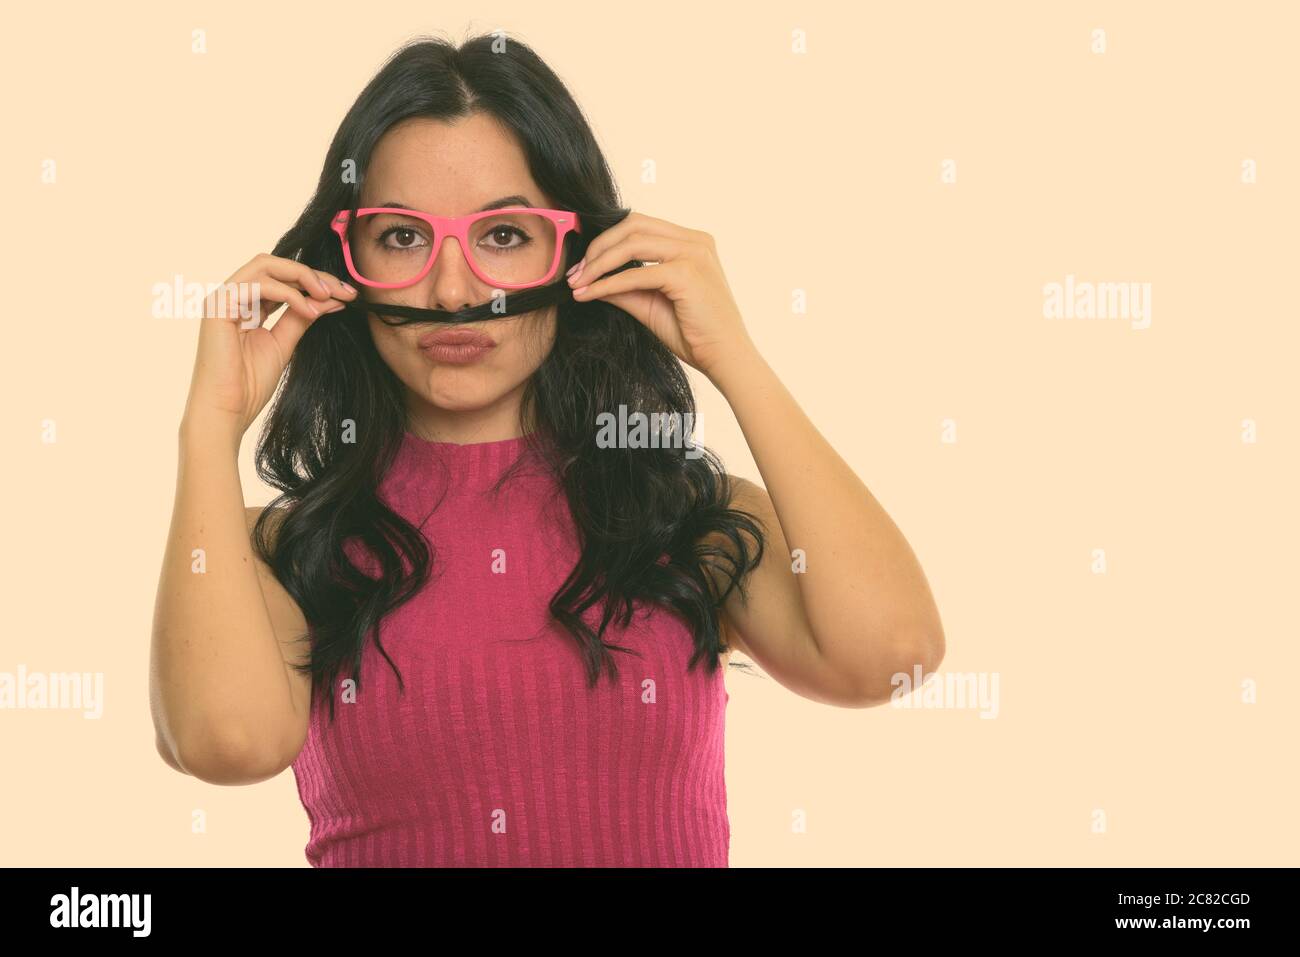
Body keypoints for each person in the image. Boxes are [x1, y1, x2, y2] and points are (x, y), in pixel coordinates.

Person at [149, 31, 945, 867]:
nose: (453, 291)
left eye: (503, 237)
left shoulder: (681, 516)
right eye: (401, 238)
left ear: (574, 252)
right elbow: (224, 742)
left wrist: (732, 357)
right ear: (346, 261)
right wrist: (210, 421)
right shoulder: (279, 550)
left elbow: (891, 654)